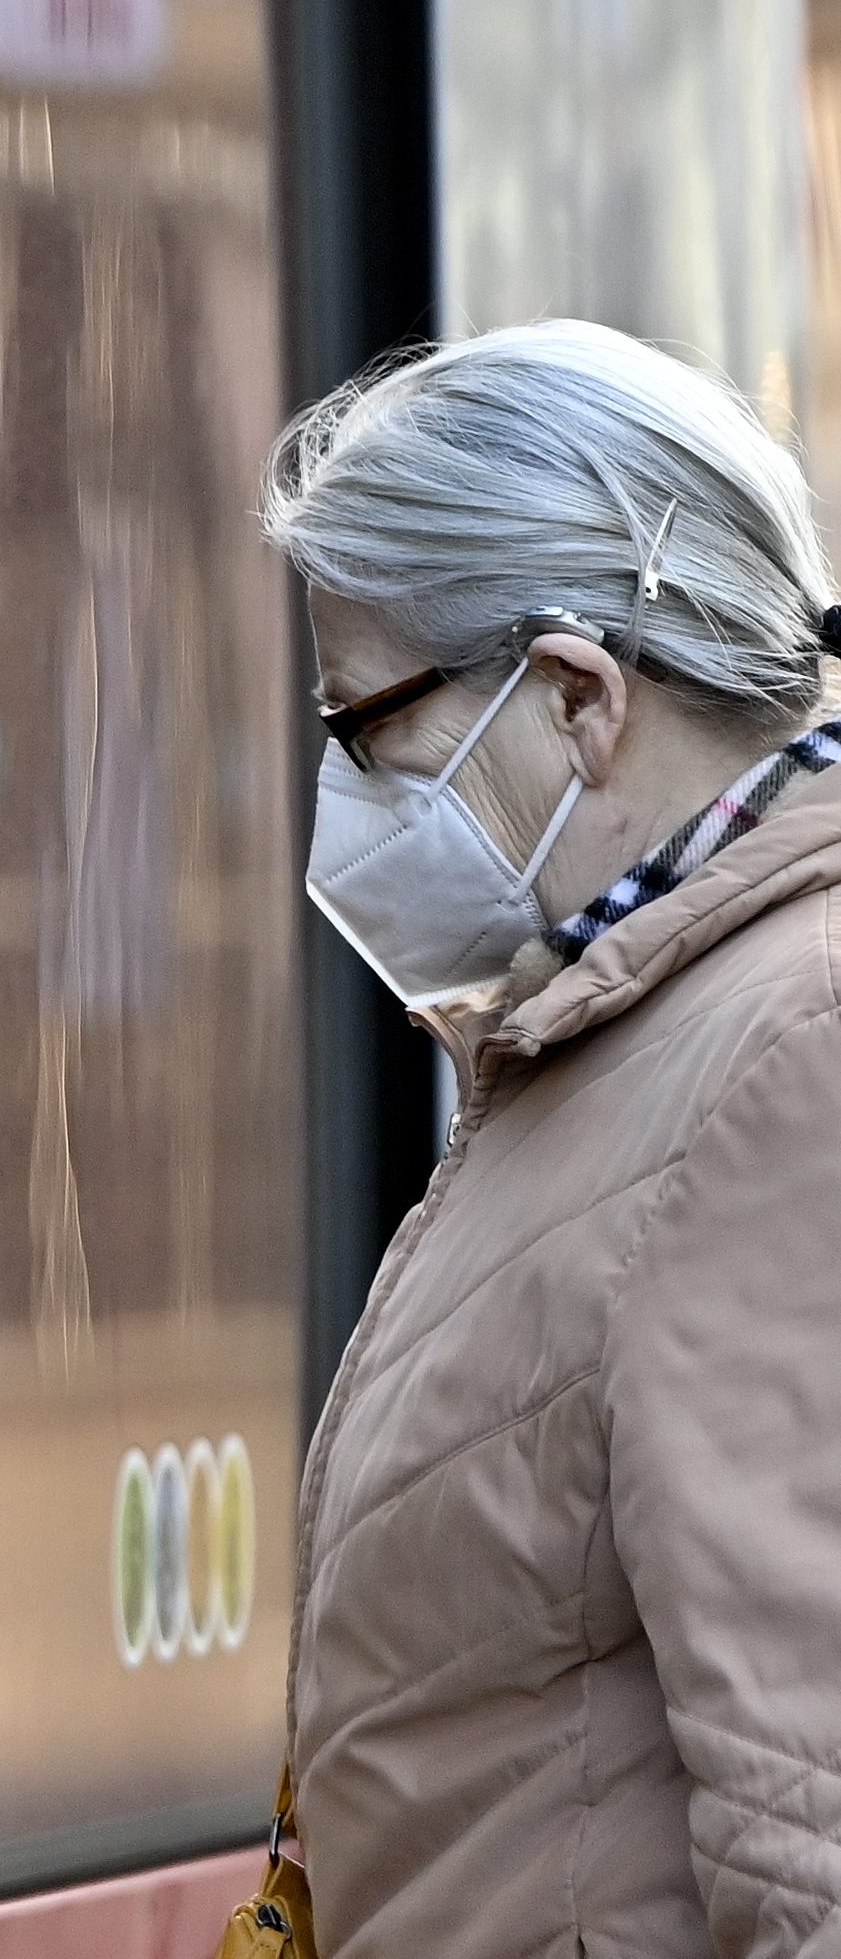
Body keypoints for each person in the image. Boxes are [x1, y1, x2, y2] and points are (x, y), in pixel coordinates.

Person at [263, 320, 841, 1955]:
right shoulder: (616, 1044)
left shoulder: (784, 1059)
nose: (350, 795)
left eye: (362, 728)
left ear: (577, 697)